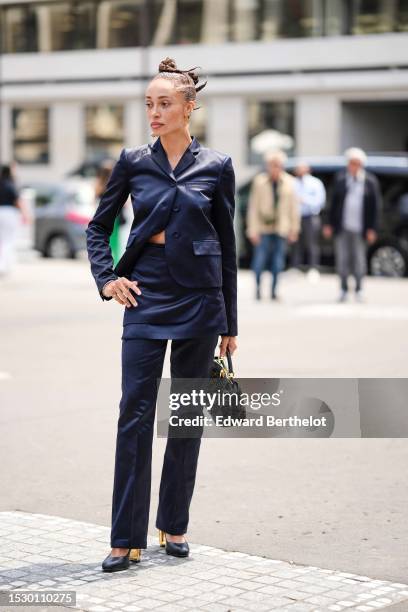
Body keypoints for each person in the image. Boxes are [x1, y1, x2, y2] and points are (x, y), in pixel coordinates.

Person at [85, 56, 238, 572]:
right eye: (149, 103)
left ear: (189, 108)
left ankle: (173, 524)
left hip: (200, 300)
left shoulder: (216, 166)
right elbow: (97, 226)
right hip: (146, 297)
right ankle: (124, 537)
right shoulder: (133, 161)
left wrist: (230, 325)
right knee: (134, 415)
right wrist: (108, 279)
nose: (154, 111)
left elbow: (229, 247)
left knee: (187, 415)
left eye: (164, 103)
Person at [323, 147, 380, 302]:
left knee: (359, 260)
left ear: (361, 164)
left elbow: (375, 207)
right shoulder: (341, 180)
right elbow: (332, 204)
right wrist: (329, 224)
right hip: (342, 227)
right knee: (342, 260)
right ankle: (343, 289)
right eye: (351, 163)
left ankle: (359, 289)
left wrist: (372, 228)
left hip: (360, 228)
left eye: (356, 163)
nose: (353, 166)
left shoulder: (370, 182)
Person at [246, 149, 300, 300]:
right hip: (263, 228)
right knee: (259, 261)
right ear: (267, 166)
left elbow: (294, 208)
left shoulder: (290, 182)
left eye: (278, 164)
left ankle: (274, 290)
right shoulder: (259, 181)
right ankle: (257, 289)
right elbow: (253, 207)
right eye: (272, 164)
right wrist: (252, 230)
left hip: (281, 228)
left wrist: (294, 229)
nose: (275, 167)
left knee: (278, 262)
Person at [291, 162, 326, 281]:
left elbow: (320, 201)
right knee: (295, 243)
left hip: (310, 216)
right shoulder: (292, 183)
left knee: (311, 243)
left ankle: (313, 268)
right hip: (295, 216)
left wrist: (304, 200)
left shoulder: (315, 183)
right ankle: (295, 267)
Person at [0, 164, 31, 276]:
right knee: (9, 240)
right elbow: (18, 201)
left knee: (2, 240)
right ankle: (3, 265)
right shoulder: (10, 185)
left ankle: (4, 264)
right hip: (9, 213)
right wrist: (26, 215)